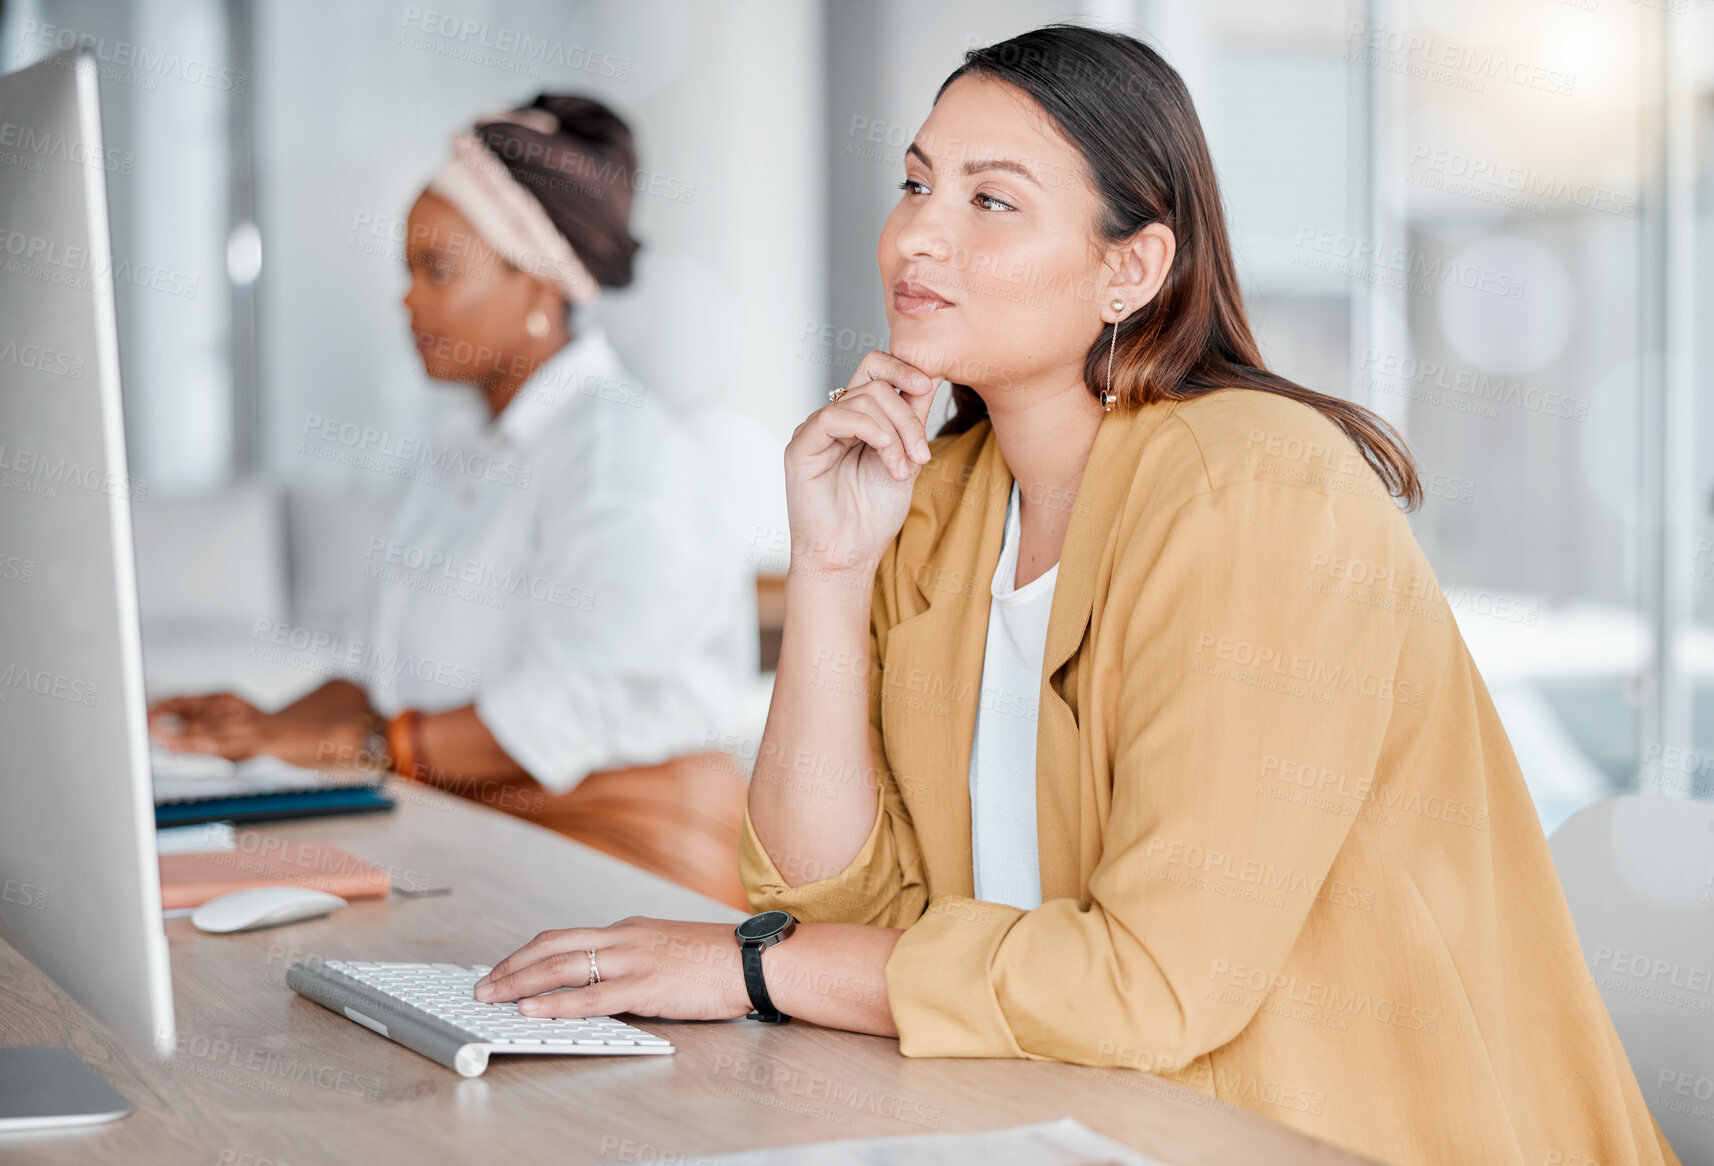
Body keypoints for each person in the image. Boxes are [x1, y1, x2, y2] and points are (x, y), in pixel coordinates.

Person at [463, 28, 1680, 1166]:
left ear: (1131, 266)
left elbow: (1148, 983)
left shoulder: (1254, 491)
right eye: (914, 184)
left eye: (990, 201)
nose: (914, 240)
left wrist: (753, 969)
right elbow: (829, 900)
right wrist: (831, 570)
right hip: (1050, 1117)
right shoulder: (938, 501)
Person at [149, 96, 758, 907]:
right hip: (463, 821)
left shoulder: (623, 457)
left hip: (620, 859)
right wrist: (254, 729)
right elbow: (383, 678)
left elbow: (555, 714)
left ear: (538, 280)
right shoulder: (459, 442)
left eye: (436, 270)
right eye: (406, 270)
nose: (408, 302)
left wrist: (359, 746)